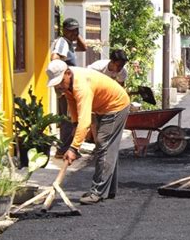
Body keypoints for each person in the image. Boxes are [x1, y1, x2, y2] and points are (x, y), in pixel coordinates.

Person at [46, 60, 130, 205]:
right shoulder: (69, 83)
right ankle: (108, 190)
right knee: (108, 148)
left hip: (116, 106)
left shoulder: (81, 85)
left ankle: (97, 192)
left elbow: (85, 122)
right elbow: (72, 103)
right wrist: (74, 124)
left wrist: (73, 148)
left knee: (103, 146)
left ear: (67, 73)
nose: (59, 86)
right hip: (103, 107)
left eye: (60, 82)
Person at [50, 18, 88, 158]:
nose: (74, 33)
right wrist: (63, 73)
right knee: (67, 118)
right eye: (71, 31)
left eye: (76, 30)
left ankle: (66, 148)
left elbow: (84, 47)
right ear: (64, 30)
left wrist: (76, 35)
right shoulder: (62, 42)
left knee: (70, 116)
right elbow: (54, 58)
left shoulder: (69, 43)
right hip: (65, 85)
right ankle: (62, 150)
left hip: (69, 85)